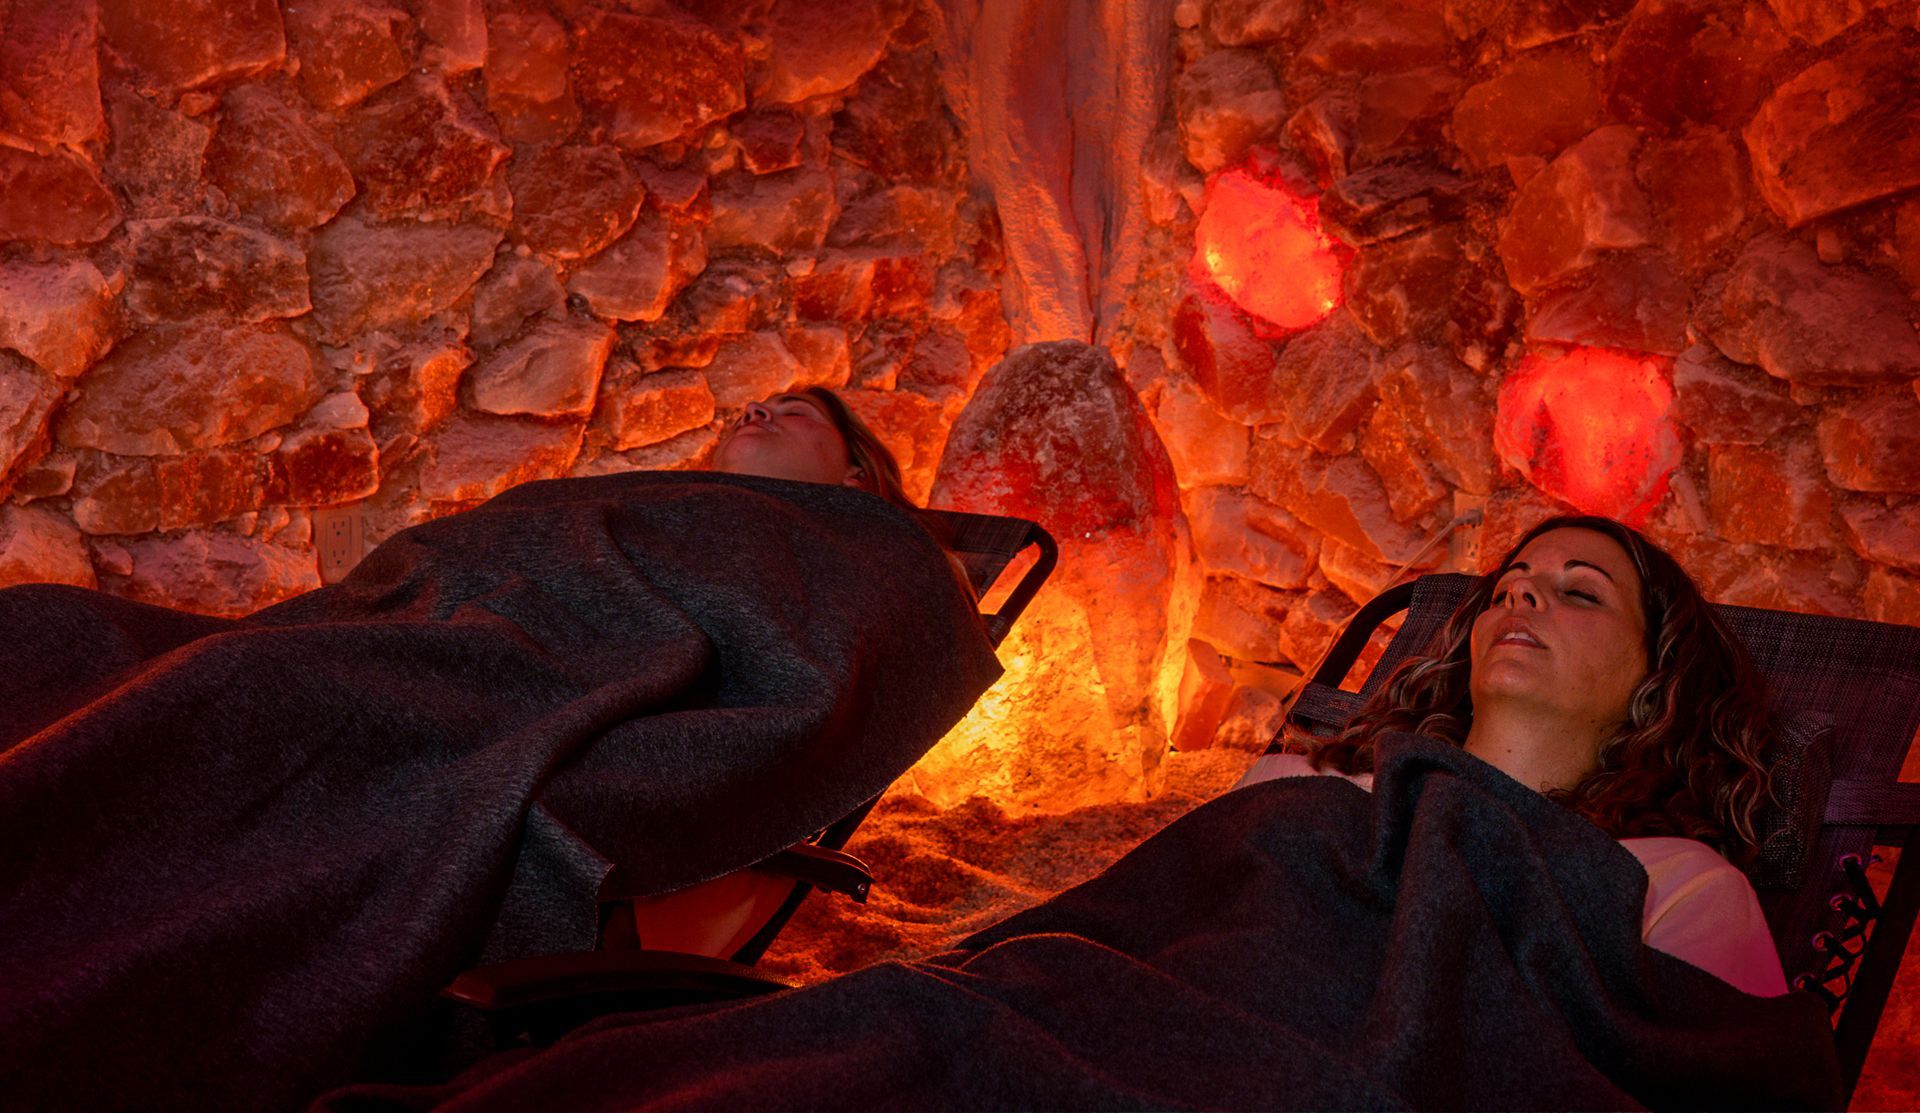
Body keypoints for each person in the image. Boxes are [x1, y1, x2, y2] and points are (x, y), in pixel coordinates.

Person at [1238, 514, 1786, 995]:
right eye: (1505, 592)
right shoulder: (1296, 782)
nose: (1520, 597)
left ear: (1661, 674)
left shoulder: (1676, 886)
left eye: (1581, 593)